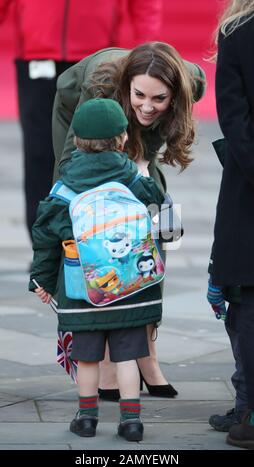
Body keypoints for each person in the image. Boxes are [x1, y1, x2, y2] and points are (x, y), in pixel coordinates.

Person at [52, 41, 206, 400]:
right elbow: (72, 173)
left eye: (160, 99)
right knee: (92, 224)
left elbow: (150, 183)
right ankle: (105, 358)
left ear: (175, 95)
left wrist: (140, 171)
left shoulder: (191, 81)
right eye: (141, 95)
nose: (149, 106)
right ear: (128, 86)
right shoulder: (100, 87)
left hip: (138, 141)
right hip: (82, 116)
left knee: (153, 228)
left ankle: (146, 353)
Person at [29, 97, 167, 441]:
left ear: (76, 141)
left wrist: (41, 280)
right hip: (134, 286)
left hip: (82, 292)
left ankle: (87, 418)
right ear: (122, 139)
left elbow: (45, 239)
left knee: (88, 358)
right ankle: (131, 421)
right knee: (128, 356)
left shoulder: (63, 190)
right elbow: (161, 207)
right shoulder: (133, 181)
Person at [0, 0, 163, 240]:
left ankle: (93, 237)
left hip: (97, 59)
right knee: (39, 153)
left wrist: (147, 47)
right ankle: (44, 241)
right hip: (38, 55)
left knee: (99, 150)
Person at [207, 0, 254, 450]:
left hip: (247, 186)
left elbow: (234, 117)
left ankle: (249, 409)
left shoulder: (238, 28)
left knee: (243, 298)